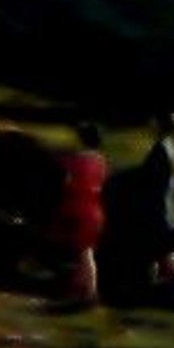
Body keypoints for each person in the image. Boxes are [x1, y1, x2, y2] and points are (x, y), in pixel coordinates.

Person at [58, 122, 109, 305]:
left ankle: (90, 292)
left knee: (84, 252)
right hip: (96, 210)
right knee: (84, 252)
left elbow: (68, 183)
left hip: (80, 209)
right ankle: (79, 290)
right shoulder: (101, 160)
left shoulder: (75, 160)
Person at [140, 110, 174, 307]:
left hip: (160, 209)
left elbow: (153, 181)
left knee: (161, 253)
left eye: (153, 120)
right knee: (160, 253)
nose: (150, 124)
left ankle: (172, 294)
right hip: (167, 208)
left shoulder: (160, 149)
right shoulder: (169, 147)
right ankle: (162, 293)